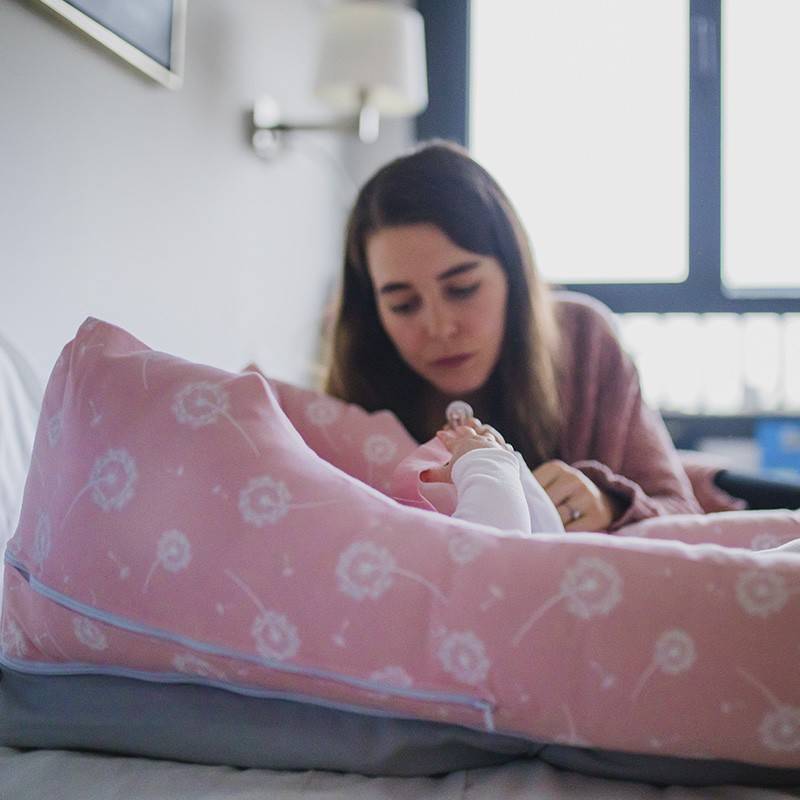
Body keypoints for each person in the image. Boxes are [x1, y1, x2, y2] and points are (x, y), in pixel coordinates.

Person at [324, 140, 702, 532]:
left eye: (464, 289)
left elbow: (683, 512)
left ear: (513, 274)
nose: (440, 327)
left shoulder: (583, 339)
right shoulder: (352, 397)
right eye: (402, 305)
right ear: (372, 311)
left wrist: (609, 504)